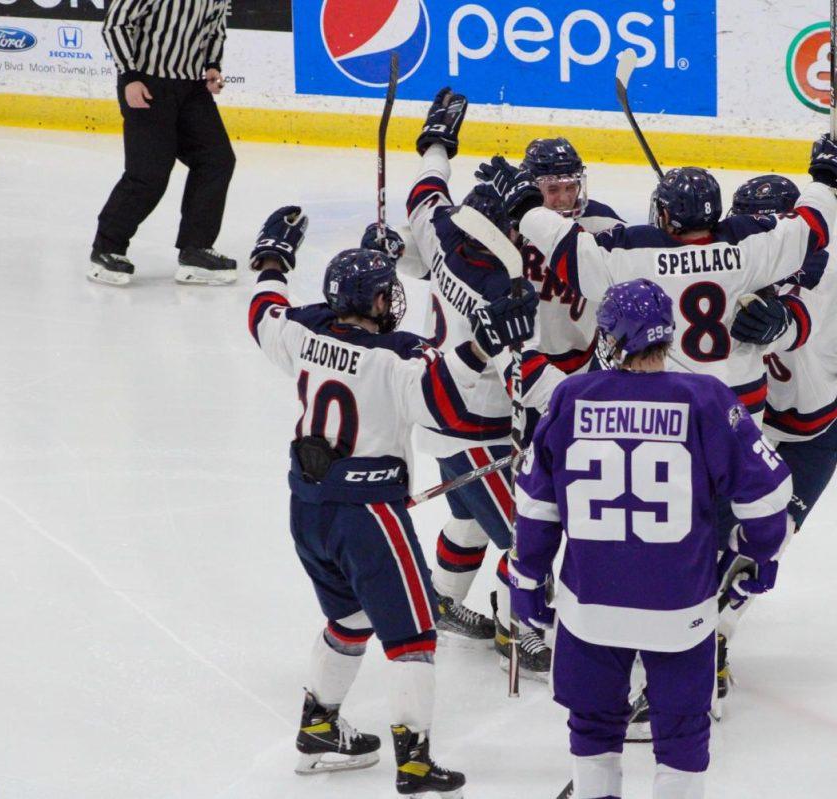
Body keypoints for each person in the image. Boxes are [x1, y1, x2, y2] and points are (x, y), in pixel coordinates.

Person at [246, 204, 536, 795]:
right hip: (370, 514)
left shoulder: (301, 336)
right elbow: (448, 405)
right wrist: (483, 345)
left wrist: (273, 258)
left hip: (307, 509)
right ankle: (415, 762)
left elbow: (262, 310)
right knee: (414, 638)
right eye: (385, 294)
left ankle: (319, 729)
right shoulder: (396, 360)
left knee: (347, 618)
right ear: (378, 303)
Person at [509, 279, 793, 799]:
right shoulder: (707, 399)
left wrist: (526, 580)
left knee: (594, 727)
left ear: (612, 337)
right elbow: (769, 499)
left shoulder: (570, 396)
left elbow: (536, 509)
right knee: (682, 733)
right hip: (680, 609)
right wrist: (755, 560)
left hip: (588, 606)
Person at [480, 134, 837, 424]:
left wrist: (527, 206)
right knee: (734, 502)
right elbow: (813, 227)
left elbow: (566, 249)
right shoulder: (752, 247)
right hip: (743, 405)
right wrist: (827, 179)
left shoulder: (634, 257)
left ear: (664, 213)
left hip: (675, 406)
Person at [400, 88, 553, 678]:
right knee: (526, 533)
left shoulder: (441, 225)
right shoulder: (504, 288)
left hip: (437, 405)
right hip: (476, 427)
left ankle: (442, 599)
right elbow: (524, 377)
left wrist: (437, 139)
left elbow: (425, 185)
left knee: (466, 518)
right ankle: (518, 635)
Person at [711, 174, 837, 686]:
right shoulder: (737, 270)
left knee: (764, 542)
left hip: (810, 437)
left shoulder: (822, 277)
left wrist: (768, 314)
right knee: (710, 535)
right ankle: (691, 631)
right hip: (749, 428)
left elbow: (785, 324)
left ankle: (715, 640)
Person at [474, 142, 624, 446]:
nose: (564, 198)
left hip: (585, 366)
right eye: (553, 189)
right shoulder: (507, 224)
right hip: (525, 365)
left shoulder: (603, 224)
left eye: (571, 187)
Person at [90, 0, 237, 287]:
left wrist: (211, 64)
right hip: (146, 82)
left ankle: (195, 249)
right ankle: (106, 248)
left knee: (216, 160)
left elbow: (215, 26)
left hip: (192, 87)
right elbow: (116, 24)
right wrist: (129, 75)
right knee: (149, 173)